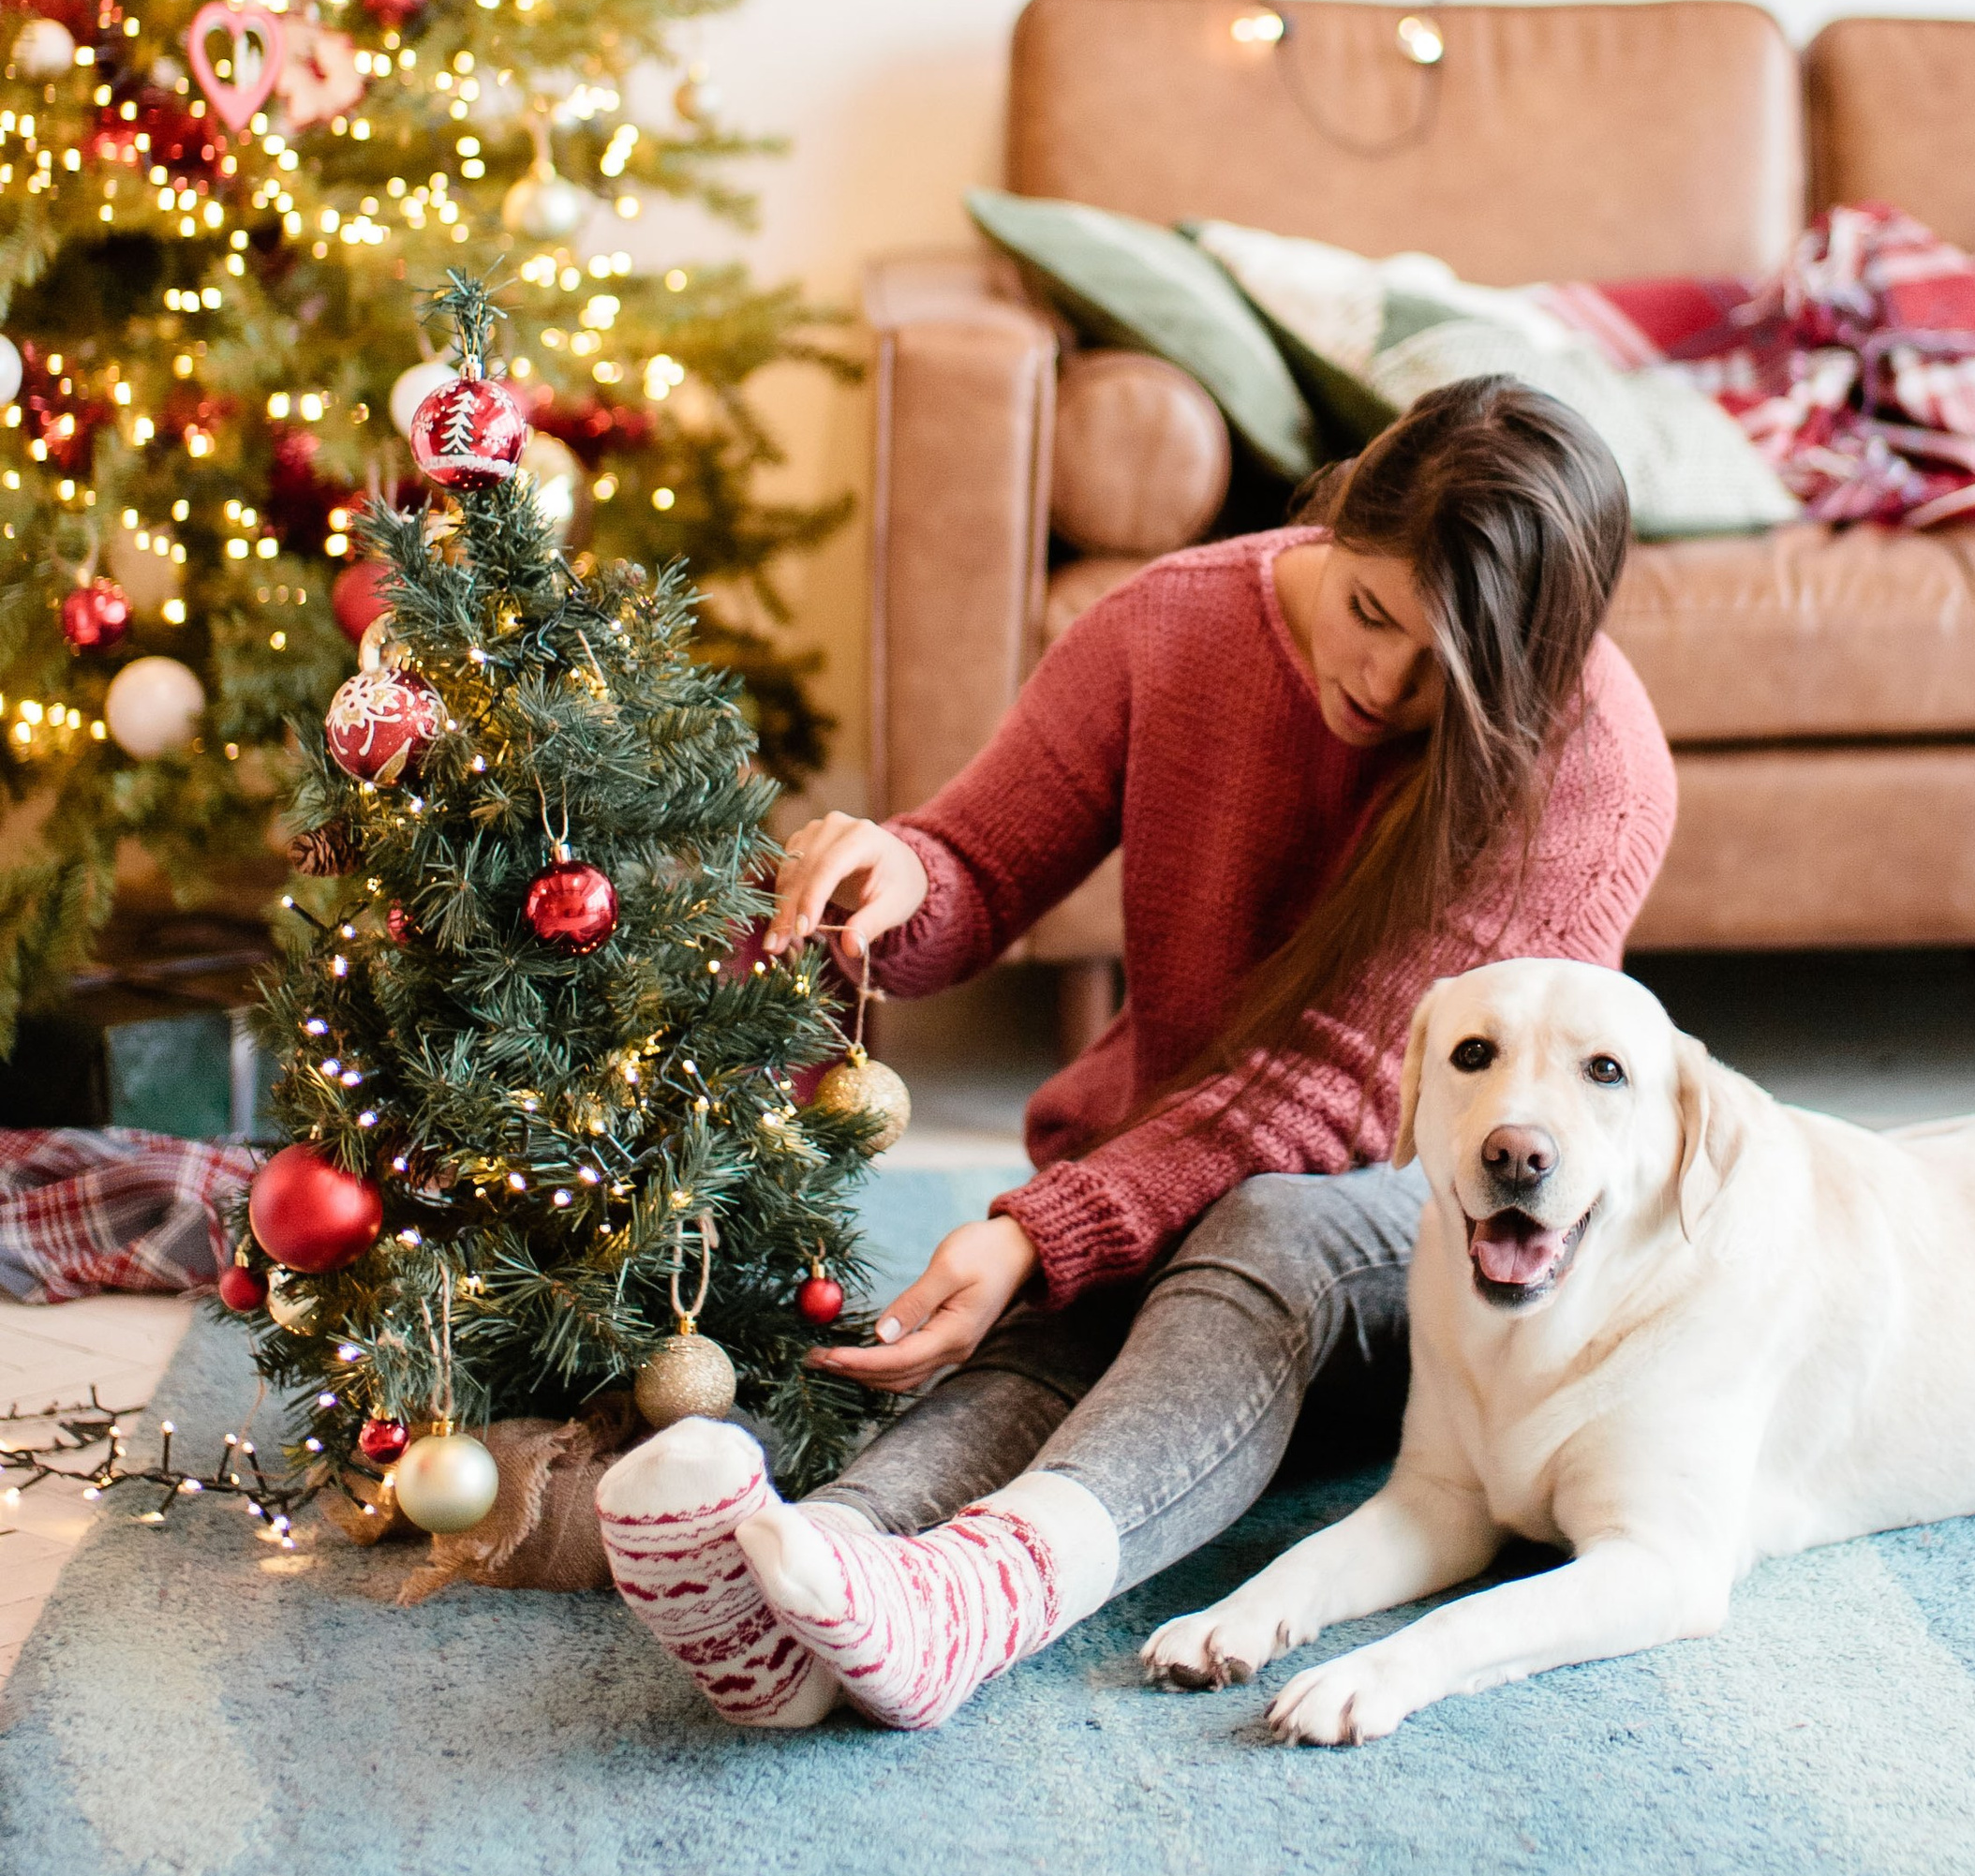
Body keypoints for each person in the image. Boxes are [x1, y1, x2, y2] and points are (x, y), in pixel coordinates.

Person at [596, 372, 1677, 1733]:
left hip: (1451, 1260)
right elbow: (979, 866)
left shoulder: (1589, 766)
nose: (1381, 681)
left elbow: (1348, 1092)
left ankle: (985, 1597)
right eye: (1370, 612)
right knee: (1075, 1315)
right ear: (1338, 519)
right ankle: (804, 1588)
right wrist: (892, 876)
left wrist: (1048, 1228)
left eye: (1441, 671)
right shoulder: (1175, 625)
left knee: (1255, 1230)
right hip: (1193, 1190)